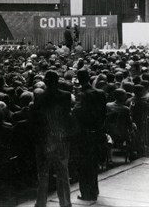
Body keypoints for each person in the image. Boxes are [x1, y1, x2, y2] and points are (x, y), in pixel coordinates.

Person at [30, 71, 73, 207]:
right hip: (60, 138)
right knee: (63, 172)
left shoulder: (39, 97)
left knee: (43, 174)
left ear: (46, 82)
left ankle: (41, 202)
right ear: (57, 81)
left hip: (44, 139)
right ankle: (65, 202)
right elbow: (66, 117)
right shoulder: (66, 96)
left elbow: (36, 120)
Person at [73, 69, 106, 202]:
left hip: (85, 133)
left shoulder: (82, 95)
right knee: (93, 163)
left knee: (84, 164)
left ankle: (87, 193)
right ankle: (95, 190)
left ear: (79, 79)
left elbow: (77, 113)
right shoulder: (100, 93)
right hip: (98, 131)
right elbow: (104, 113)